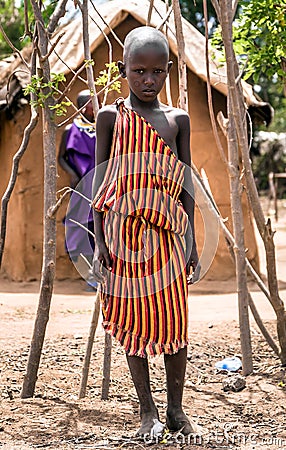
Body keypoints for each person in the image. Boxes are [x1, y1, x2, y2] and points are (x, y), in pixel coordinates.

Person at [92, 26, 199, 437]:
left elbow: (186, 185)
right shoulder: (110, 118)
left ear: (168, 72)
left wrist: (189, 243)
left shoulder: (178, 121)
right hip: (122, 239)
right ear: (123, 70)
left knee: (174, 324)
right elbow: (100, 183)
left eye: (157, 72)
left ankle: (176, 409)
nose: (148, 80)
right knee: (132, 321)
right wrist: (100, 240)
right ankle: (147, 410)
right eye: (138, 72)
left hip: (168, 239)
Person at [58, 90, 97, 287]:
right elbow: (61, 158)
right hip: (82, 188)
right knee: (81, 227)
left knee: (101, 228)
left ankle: (100, 276)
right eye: (91, 103)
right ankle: (90, 276)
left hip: (100, 185)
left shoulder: (103, 127)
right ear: (83, 106)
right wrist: (73, 174)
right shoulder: (70, 130)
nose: (94, 105)